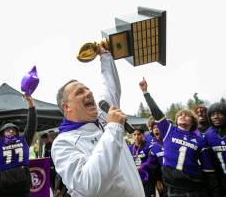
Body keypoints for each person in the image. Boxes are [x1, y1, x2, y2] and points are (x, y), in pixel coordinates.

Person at [51, 47, 144, 197]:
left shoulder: (103, 114)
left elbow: (110, 86)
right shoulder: (63, 143)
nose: (88, 93)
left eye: (88, 89)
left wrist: (105, 55)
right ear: (66, 107)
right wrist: (113, 129)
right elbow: (89, 186)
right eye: (80, 92)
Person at [139, 77, 221, 197]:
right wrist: (146, 93)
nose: (183, 116)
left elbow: (208, 169)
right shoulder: (168, 130)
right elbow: (156, 112)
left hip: (193, 186)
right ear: (176, 120)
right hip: (173, 186)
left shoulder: (200, 140)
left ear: (193, 122)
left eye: (186, 115)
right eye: (180, 115)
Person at [0, 94, 37, 197]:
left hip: (22, 186)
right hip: (3, 188)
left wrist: (31, 105)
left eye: (14, 129)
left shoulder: (24, 139)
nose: (11, 131)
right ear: (2, 133)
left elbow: (31, 125)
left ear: (17, 132)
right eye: (8, 129)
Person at [205, 102, 226, 195]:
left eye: (220, 113)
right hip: (221, 180)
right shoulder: (208, 135)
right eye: (212, 114)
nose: (215, 117)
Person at [128, 128, 155, 197]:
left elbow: (151, 161)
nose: (136, 136)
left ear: (143, 135)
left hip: (147, 178)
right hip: (135, 179)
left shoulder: (149, 146)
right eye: (134, 134)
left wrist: (142, 166)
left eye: (138, 134)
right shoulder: (130, 148)